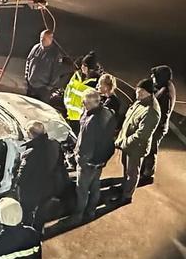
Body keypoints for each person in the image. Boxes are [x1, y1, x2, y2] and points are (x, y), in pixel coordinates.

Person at [15, 121, 67, 232]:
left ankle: (28, 231)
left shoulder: (30, 153)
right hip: (48, 186)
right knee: (42, 211)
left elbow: (22, 176)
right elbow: (60, 163)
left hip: (32, 190)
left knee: (27, 212)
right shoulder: (54, 144)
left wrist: (17, 183)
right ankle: (38, 230)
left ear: (31, 134)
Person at [72, 90, 116, 222]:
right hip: (100, 159)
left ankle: (78, 215)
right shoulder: (108, 112)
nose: (83, 104)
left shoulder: (91, 121)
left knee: (82, 189)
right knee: (95, 185)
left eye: (84, 102)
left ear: (91, 103)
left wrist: (80, 159)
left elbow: (86, 144)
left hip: (89, 161)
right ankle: (91, 211)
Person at [115, 78, 161, 204]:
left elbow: (141, 135)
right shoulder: (140, 101)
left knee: (132, 173)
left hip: (135, 148)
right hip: (127, 143)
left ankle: (126, 197)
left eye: (141, 92)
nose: (137, 94)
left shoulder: (151, 111)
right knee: (126, 169)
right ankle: (125, 188)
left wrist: (122, 142)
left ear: (149, 92)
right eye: (137, 91)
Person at [140, 65, 176, 185]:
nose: (151, 77)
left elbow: (163, 113)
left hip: (158, 127)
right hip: (156, 125)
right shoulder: (163, 87)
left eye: (154, 76)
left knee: (151, 150)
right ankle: (144, 170)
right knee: (148, 147)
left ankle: (148, 174)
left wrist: (153, 125)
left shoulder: (166, 94)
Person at [63, 52, 101, 134]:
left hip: (81, 119)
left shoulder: (95, 83)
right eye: (82, 64)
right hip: (70, 115)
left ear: (90, 68)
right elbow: (68, 88)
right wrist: (66, 103)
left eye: (85, 65)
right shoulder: (77, 75)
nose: (82, 67)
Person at [24, 30, 62, 103]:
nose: (41, 40)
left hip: (43, 89)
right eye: (41, 37)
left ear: (50, 39)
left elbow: (56, 72)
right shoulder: (36, 47)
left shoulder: (55, 54)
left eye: (44, 38)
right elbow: (28, 61)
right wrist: (27, 76)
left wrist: (49, 87)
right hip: (31, 85)